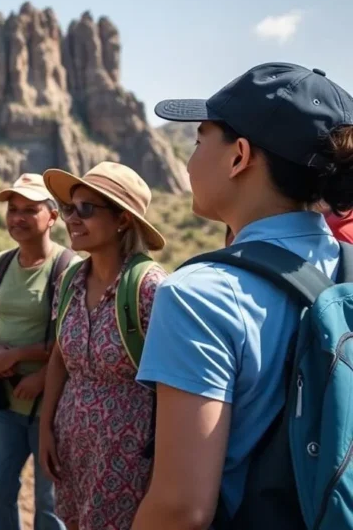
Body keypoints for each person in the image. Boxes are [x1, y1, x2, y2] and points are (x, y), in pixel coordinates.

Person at [132, 64, 353, 530]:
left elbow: (181, 510)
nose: (189, 160)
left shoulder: (200, 296)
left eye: (198, 140)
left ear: (239, 157)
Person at [37, 162, 169, 530]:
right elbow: (60, 359)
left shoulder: (150, 289)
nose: (72, 219)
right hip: (72, 447)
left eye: (87, 209)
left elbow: (172, 383)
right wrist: (46, 428)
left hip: (129, 456)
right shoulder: (70, 282)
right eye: (68, 209)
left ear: (123, 220)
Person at [0, 173, 76, 530]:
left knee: (50, 506)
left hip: (50, 405)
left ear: (52, 217)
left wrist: (26, 365)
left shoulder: (70, 268)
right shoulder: (0, 264)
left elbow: (71, 339)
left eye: (29, 210)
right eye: (12, 209)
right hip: (7, 401)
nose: (17, 217)